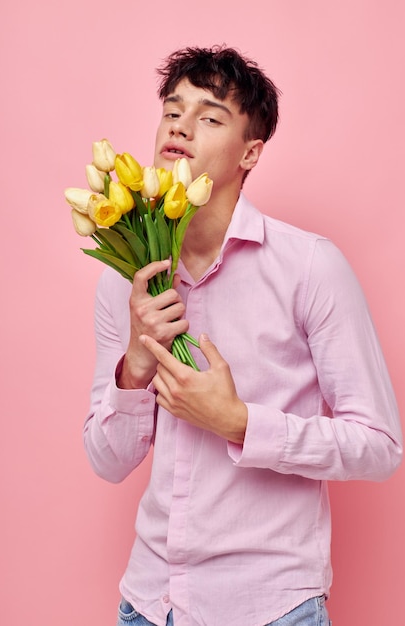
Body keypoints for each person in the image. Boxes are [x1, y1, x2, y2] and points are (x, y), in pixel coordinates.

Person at [83, 46, 402, 626]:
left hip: (271, 607)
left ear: (250, 152)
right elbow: (108, 461)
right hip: (150, 604)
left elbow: (380, 446)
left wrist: (238, 422)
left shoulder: (309, 268)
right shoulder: (126, 281)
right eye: (172, 109)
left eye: (209, 117)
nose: (179, 124)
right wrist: (134, 364)